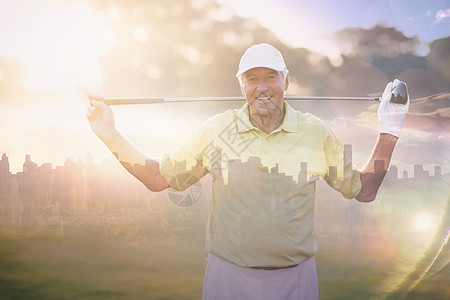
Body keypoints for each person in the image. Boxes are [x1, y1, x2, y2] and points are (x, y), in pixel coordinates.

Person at [86, 43, 409, 300]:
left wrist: (389, 129)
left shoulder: (316, 132)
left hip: (296, 279)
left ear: (287, 81)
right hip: (229, 278)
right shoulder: (217, 131)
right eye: (252, 79)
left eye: (270, 77)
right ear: (241, 85)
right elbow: (159, 179)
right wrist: (108, 133)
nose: (262, 87)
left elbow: (363, 191)